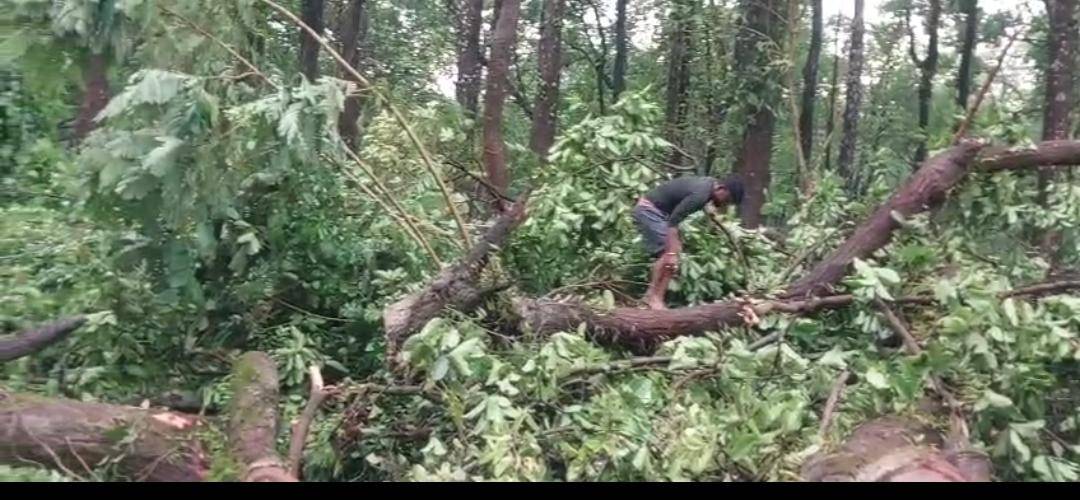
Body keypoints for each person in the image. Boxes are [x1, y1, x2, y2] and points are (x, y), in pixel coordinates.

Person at [632, 175, 744, 310]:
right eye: (727, 200)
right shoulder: (701, 195)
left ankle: (652, 296)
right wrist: (672, 251)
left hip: (659, 213)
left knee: (673, 252)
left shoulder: (708, 184)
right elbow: (674, 221)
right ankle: (654, 298)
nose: (725, 204)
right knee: (669, 255)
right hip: (650, 211)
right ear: (721, 189)